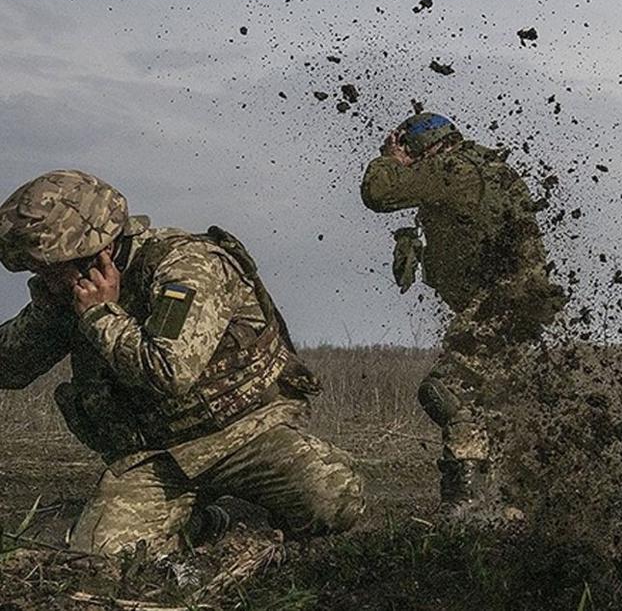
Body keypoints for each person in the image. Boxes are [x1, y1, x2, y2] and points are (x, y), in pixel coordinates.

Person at [0, 170, 364, 556]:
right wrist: (51, 311)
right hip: (159, 457)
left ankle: (246, 514)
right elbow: (10, 366)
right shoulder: (71, 291)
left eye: (49, 268)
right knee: (102, 553)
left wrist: (101, 316)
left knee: (334, 498)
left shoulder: (186, 266)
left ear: (96, 252)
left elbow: (171, 371)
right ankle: (208, 523)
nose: (44, 279)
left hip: (246, 434)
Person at [361, 111, 565, 512]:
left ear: (422, 147)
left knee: (449, 391)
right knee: (497, 404)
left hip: (501, 308)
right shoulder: (488, 167)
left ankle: (468, 506)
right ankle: (521, 504)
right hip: (516, 307)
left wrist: (389, 158)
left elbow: (379, 193)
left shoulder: (451, 169)